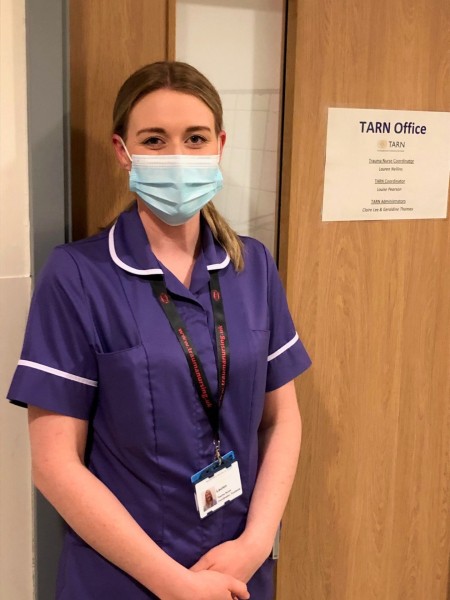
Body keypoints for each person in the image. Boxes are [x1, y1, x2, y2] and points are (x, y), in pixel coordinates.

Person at [8, 61, 311, 599]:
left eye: (195, 138)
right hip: (125, 576)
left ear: (219, 145)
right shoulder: (79, 275)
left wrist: (256, 542)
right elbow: (55, 464)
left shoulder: (253, 267)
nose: (178, 156)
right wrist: (173, 584)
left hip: (235, 568)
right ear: (123, 151)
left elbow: (281, 417)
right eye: (154, 139)